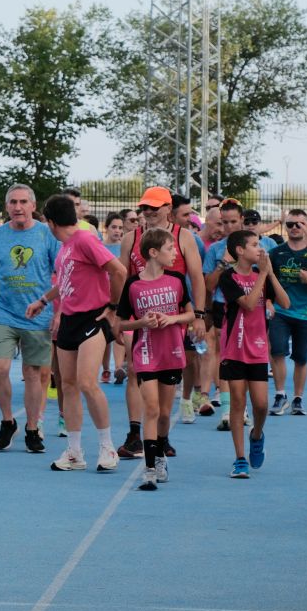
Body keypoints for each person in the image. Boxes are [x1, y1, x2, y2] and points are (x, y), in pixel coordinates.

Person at [27, 195, 126, 473]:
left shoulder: (85, 240)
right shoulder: (65, 248)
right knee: (67, 385)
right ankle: (74, 451)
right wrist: (43, 301)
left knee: (86, 383)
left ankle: (107, 447)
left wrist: (113, 308)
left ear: (50, 221)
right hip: (69, 319)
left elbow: (118, 271)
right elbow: (67, 280)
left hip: (92, 317)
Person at [117, 187, 205, 456]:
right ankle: (135, 433)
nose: (148, 213)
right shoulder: (132, 238)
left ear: (168, 208)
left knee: (168, 379)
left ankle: (161, 434)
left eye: (154, 208)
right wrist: (115, 313)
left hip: (172, 316)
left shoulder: (183, 237)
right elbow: (123, 277)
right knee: (134, 368)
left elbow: (197, 276)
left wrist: (198, 316)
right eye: (144, 208)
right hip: (139, 313)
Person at [0, 184, 59, 453]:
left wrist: (57, 311)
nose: (18, 207)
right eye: (13, 202)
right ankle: (8, 420)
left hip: (37, 316)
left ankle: (32, 428)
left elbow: (62, 276)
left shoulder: (47, 235)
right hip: (4, 314)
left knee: (32, 374)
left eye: (23, 202)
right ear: (6, 206)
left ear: (33, 206)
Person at [114, 228, 194, 491]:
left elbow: (191, 313)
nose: (174, 253)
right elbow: (120, 323)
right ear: (153, 252)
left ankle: (160, 452)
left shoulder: (176, 280)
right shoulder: (133, 284)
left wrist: (173, 319)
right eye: (170, 249)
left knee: (163, 413)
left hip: (171, 352)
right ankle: (149, 469)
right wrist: (141, 322)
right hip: (146, 353)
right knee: (150, 408)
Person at [218, 230, 288, 478]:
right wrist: (263, 277)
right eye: (255, 245)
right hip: (234, 348)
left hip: (258, 349)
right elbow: (247, 304)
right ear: (240, 250)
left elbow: (285, 303)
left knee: (260, 405)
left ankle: (256, 435)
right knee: (238, 402)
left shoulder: (262, 275)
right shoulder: (228, 277)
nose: (261, 249)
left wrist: (268, 275)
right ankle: (239, 459)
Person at [267, 209, 307, 417]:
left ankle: (298, 399)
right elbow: (266, 279)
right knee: (277, 352)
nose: (294, 228)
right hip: (281, 312)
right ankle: (280, 395)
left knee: (301, 358)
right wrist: (268, 302)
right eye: (290, 224)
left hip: (305, 313)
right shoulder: (277, 252)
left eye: (299, 224)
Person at [202, 199, 247, 427]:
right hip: (224, 306)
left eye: (233, 221)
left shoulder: (256, 245)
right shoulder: (216, 249)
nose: (229, 227)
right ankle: (229, 411)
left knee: (247, 358)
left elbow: (265, 279)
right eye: (224, 222)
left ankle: (243, 407)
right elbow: (208, 285)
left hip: (251, 308)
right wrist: (223, 264)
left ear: (242, 220)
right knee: (226, 357)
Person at [101, 213, 126, 384]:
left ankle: (118, 367)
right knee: (104, 334)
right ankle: (106, 369)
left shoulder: (124, 248)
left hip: (121, 294)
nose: (117, 231)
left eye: (120, 228)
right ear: (106, 228)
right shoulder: (99, 247)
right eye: (114, 227)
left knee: (118, 329)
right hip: (102, 294)